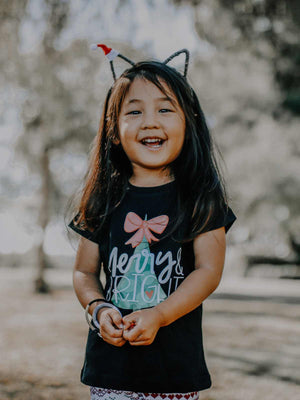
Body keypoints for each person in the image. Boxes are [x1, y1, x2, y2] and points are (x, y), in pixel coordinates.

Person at [68, 44, 237, 400]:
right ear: (114, 129)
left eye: (165, 108)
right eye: (134, 111)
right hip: (109, 371)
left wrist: (159, 314)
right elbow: (84, 272)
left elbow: (208, 271)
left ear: (189, 122)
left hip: (173, 373)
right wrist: (98, 309)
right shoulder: (103, 198)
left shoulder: (201, 197)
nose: (150, 121)